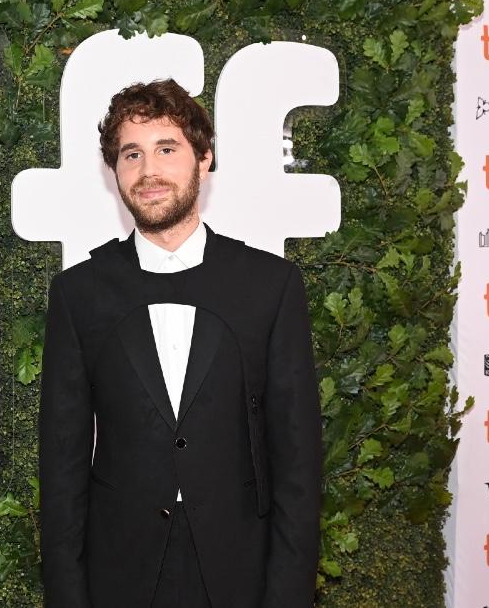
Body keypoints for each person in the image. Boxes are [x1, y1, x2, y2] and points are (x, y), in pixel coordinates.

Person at [39, 78, 322, 608]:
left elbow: (298, 467)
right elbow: (61, 469)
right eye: (131, 154)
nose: (148, 171)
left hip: (241, 568)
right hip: (120, 571)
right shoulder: (79, 294)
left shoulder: (269, 286)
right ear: (115, 172)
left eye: (166, 149)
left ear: (204, 158)